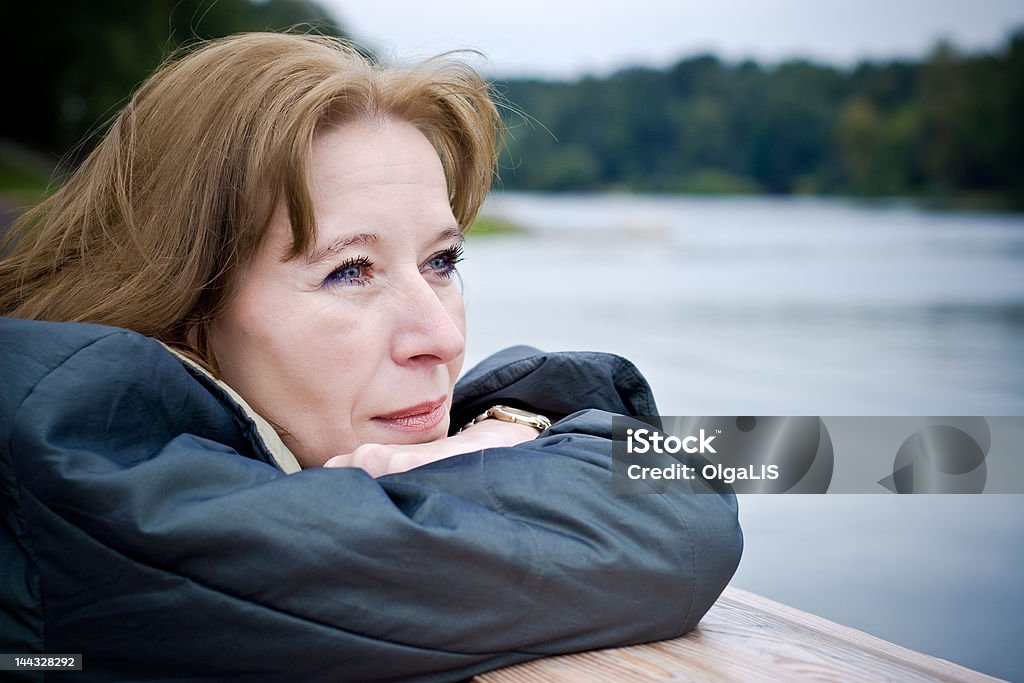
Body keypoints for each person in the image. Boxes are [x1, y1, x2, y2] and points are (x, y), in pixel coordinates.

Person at [0, 33, 742, 681]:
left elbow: (705, 464)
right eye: (350, 270)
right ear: (185, 305)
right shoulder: (76, 477)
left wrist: (510, 425)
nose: (442, 338)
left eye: (442, 261)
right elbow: (677, 519)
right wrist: (494, 457)